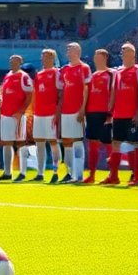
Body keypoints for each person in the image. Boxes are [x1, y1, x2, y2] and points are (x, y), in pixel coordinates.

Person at [102, 43, 138, 186]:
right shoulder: (117, 71)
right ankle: (114, 176)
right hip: (118, 114)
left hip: (131, 114)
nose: (122, 52)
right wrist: (110, 112)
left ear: (132, 53)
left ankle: (137, 177)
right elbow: (113, 92)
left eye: (125, 50)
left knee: (134, 144)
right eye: (121, 50)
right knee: (116, 144)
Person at [0, 54, 33, 182]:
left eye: (15, 61)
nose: (12, 62)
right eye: (10, 60)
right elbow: (4, 95)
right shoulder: (7, 75)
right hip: (6, 114)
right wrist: (0, 108)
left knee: (20, 142)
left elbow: (29, 95)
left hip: (17, 115)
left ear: (20, 62)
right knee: (6, 142)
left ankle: (22, 172)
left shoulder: (24, 76)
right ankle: (7, 172)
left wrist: (21, 111)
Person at [58, 42, 90, 184]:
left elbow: (86, 90)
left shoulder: (84, 68)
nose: (67, 52)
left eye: (70, 49)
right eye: (67, 50)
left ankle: (78, 175)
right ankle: (69, 173)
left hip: (77, 110)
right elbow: (61, 91)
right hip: (65, 111)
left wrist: (83, 109)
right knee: (67, 142)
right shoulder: (64, 70)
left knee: (77, 141)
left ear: (77, 51)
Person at [81, 48, 114, 184]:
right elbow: (86, 93)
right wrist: (84, 110)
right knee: (92, 144)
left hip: (105, 112)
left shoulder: (111, 73)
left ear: (105, 58)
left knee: (108, 144)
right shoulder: (92, 75)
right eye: (95, 56)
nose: (95, 58)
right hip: (91, 113)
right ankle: (92, 174)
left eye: (98, 56)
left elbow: (113, 92)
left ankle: (113, 174)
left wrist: (110, 112)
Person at [30, 49, 63, 182]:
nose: (43, 59)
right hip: (39, 114)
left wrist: (57, 112)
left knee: (54, 143)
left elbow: (61, 93)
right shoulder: (38, 75)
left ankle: (56, 172)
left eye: (46, 57)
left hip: (51, 113)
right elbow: (35, 93)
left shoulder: (56, 73)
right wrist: (33, 111)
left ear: (52, 58)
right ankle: (40, 173)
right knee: (39, 144)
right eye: (42, 57)